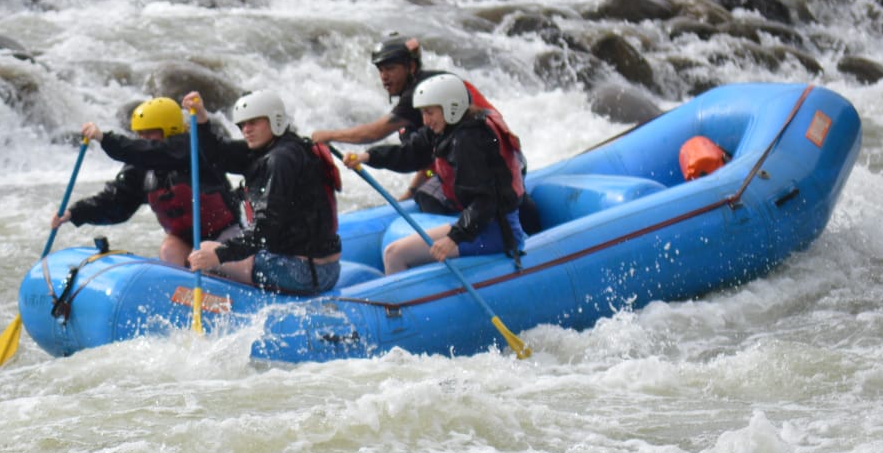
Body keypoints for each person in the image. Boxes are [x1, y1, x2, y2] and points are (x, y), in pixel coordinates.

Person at [313, 33, 541, 233]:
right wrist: (407, 188)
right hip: (484, 165)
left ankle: (464, 238)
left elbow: (375, 132)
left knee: (431, 196)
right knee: (425, 191)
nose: (384, 76)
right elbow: (425, 153)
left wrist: (330, 135)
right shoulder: (429, 103)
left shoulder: (425, 94)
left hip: (492, 167)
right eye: (381, 70)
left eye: (391, 69)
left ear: (411, 67)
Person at [343, 73, 526, 275]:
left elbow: (485, 200)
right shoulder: (447, 130)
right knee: (395, 251)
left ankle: (403, 296)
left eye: (430, 112)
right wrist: (368, 157)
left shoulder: (469, 141)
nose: (425, 120)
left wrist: (454, 238)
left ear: (451, 107)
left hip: (496, 231)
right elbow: (410, 153)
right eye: (423, 113)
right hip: (482, 225)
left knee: (394, 254)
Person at [183, 89, 342, 295]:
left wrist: (219, 255)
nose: (246, 130)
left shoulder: (281, 159)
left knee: (205, 252)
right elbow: (219, 155)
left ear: (275, 120)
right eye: (242, 125)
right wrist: (202, 120)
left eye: (253, 122)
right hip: (319, 268)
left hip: (304, 273)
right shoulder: (271, 150)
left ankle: (226, 308)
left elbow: (265, 228)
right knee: (211, 251)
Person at [51, 96, 241, 267]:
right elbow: (117, 202)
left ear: (170, 129)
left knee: (218, 261)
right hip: (184, 239)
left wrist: (105, 139)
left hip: (224, 234)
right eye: (140, 134)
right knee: (169, 250)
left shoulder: (191, 149)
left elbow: (152, 152)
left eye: (150, 133)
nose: (144, 139)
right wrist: (75, 212)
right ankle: (180, 288)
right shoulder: (141, 168)